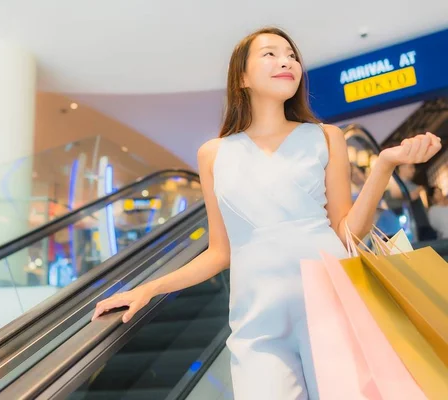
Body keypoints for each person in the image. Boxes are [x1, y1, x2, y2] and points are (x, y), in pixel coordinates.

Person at [91, 27, 441, 399]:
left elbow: (346, 232)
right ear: (241, 77)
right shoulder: (213, 153)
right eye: (270, 54)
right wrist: (151, 288)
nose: (287, 61)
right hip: (256, 319)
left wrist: (384, 165)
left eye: (291, 55)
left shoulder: (324, 137)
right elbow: (219, 252)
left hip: (333, 303)